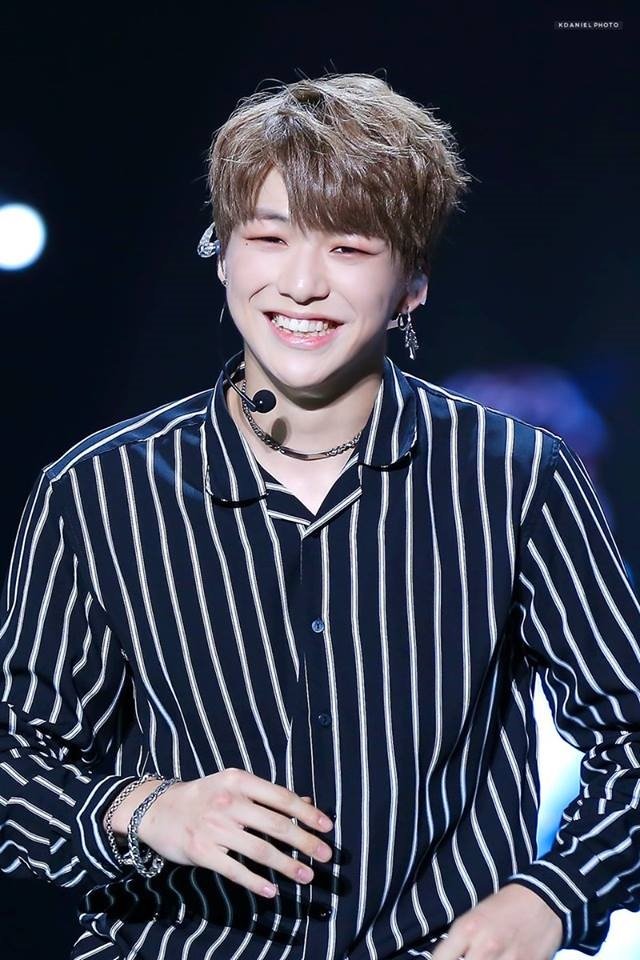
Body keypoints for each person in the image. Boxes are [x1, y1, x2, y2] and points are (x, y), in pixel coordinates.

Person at [0, 72, 639, 960]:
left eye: (349, 246)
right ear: (222, 256)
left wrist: (552, 898)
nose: (301, 283)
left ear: (412, 282)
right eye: (268, 237)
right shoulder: (98, 492)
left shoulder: (516, 480)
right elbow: (17, 764)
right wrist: (148, 810)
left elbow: (628, 738)